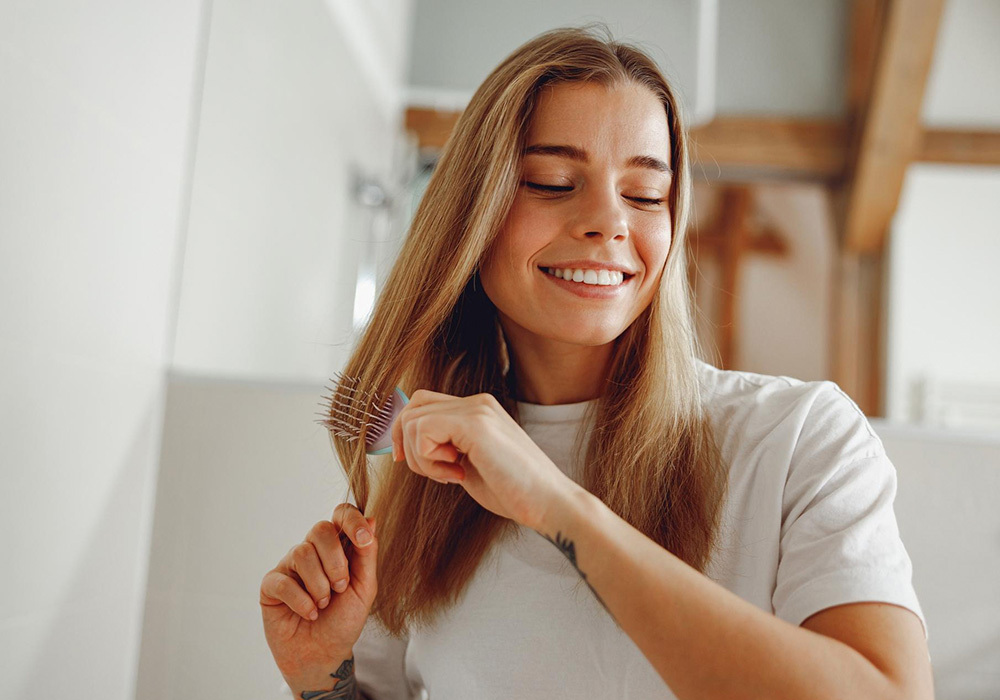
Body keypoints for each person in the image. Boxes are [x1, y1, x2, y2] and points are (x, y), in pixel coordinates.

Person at [260, 24, 933, 700]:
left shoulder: (799, 440)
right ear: (472, 213)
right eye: (552, 182)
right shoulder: (424, 483)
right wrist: (323, 678)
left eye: (645, 195)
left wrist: (560, 509)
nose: (610, 222)